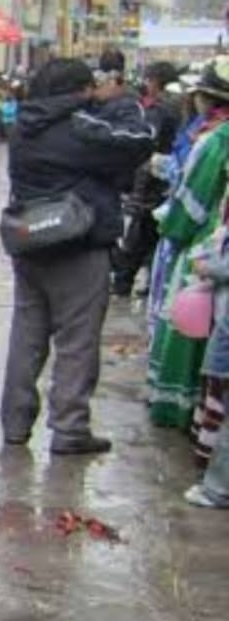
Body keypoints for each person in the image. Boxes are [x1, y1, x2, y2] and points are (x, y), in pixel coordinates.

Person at [1, 58, 152, 455]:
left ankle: (15, 423)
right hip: (77, 245)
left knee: (26, 336)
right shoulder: (82, 128)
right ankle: (69, 427)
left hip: (30, 241)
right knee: (77, 340)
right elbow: (140, 141)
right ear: (80, 90)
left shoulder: (22, 128)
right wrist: (120, 101)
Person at [149, 58, 229, 437]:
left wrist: (172, 229)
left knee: (191, 324)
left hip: (208, 244)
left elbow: (191, 202)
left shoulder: (215, 140)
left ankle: (184, 412)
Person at [112, 60, 181, 301]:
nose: (146, 84)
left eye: (149, 80)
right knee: (150, 236)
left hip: (153, 180)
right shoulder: (176, 106)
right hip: (164, 181)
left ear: (156, 82)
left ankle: (124, 282)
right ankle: (145, 281)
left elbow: (146, 145)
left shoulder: (159, 110)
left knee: (138, 236)